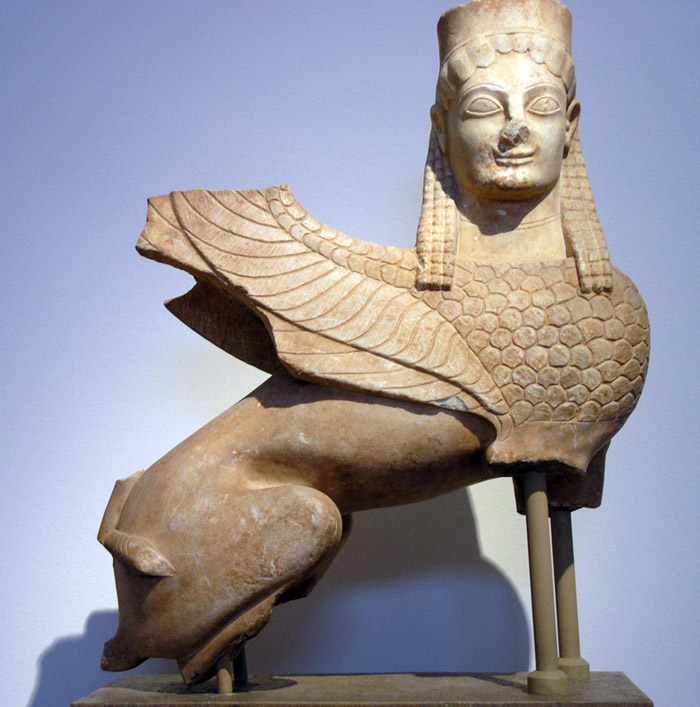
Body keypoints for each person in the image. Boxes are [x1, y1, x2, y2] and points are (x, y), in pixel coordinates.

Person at [99, 0, 648, 691]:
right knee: (309, 523)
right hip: (174, 543)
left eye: (538, 106)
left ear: (570, 126)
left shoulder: (604, 301)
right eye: (484, 107)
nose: (514, 129)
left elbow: (560, 480)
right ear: (443, 130)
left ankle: (562, 658)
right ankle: (201, 625)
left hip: (180, 526)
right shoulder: (423, 300)